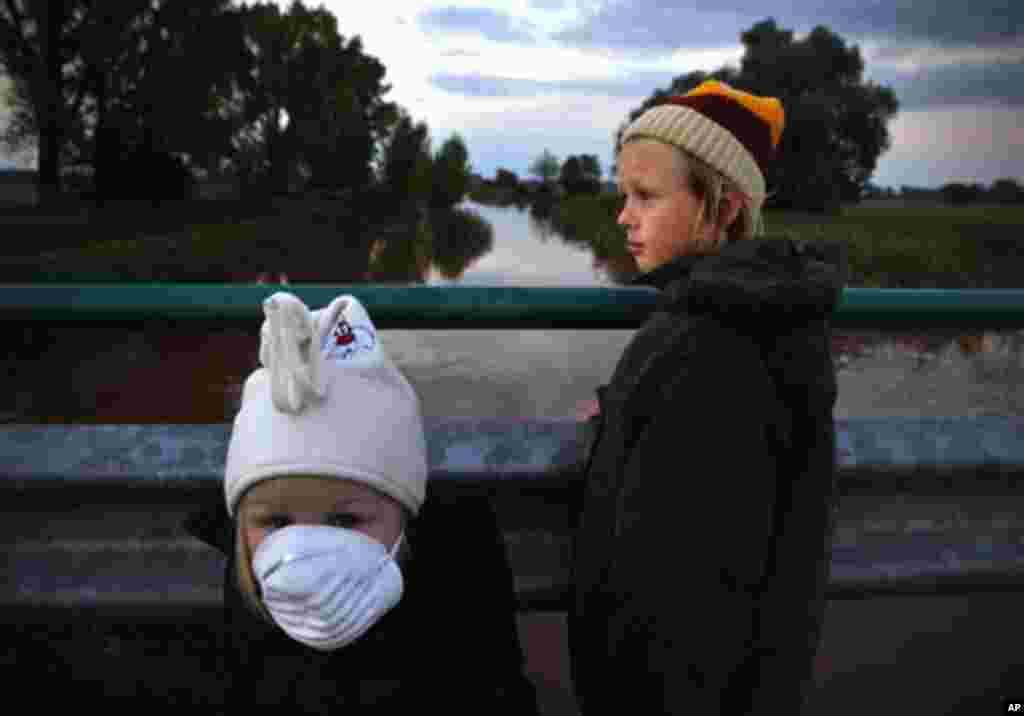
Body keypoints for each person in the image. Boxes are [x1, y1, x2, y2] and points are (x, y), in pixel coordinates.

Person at [568, 80, 848, 714]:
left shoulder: (709, 344)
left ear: (723, 208)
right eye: (623, 196)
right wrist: (624, 412)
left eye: (646, 196)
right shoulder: (754, 323)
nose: (623, 217)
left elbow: (688, 591)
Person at [184, 291, 539, 713]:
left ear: (406, 518)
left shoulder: (455, 602)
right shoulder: (247, 603)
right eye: (277, 522)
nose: (304, 550)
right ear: (241, 526)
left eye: (346, 520)